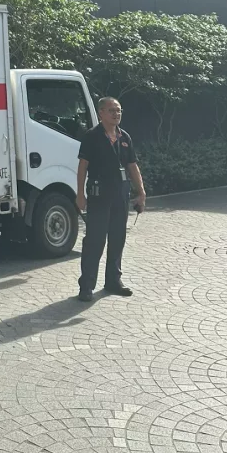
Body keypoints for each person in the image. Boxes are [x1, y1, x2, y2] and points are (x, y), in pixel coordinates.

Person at [75, 96, 146, 302]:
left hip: (120, 194)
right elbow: (83, 167)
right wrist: (80, 193)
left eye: (119, 110)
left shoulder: (125, 137)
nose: (116, 114)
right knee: (95, 241)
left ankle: (113, 281)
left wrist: (140, 192)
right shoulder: (92, 136)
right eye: (112, 110)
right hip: (99, 194)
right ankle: (86, 286)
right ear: (101, 113)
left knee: (117, 238)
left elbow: (132, 165)